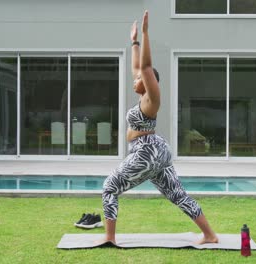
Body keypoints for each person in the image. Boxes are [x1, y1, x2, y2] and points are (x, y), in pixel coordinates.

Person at [99, 10, 218, 245]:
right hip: (156, 153)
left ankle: (109, 238)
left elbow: (145, 67)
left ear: (149, 81)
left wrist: (145, 33)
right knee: (177, 194)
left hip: (147, 153)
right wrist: (134, 41)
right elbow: (138, 68)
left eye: (139, 79)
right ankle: (209, 235)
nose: (135, 80)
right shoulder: (143, 94)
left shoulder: (151, 100)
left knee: (109, 187)